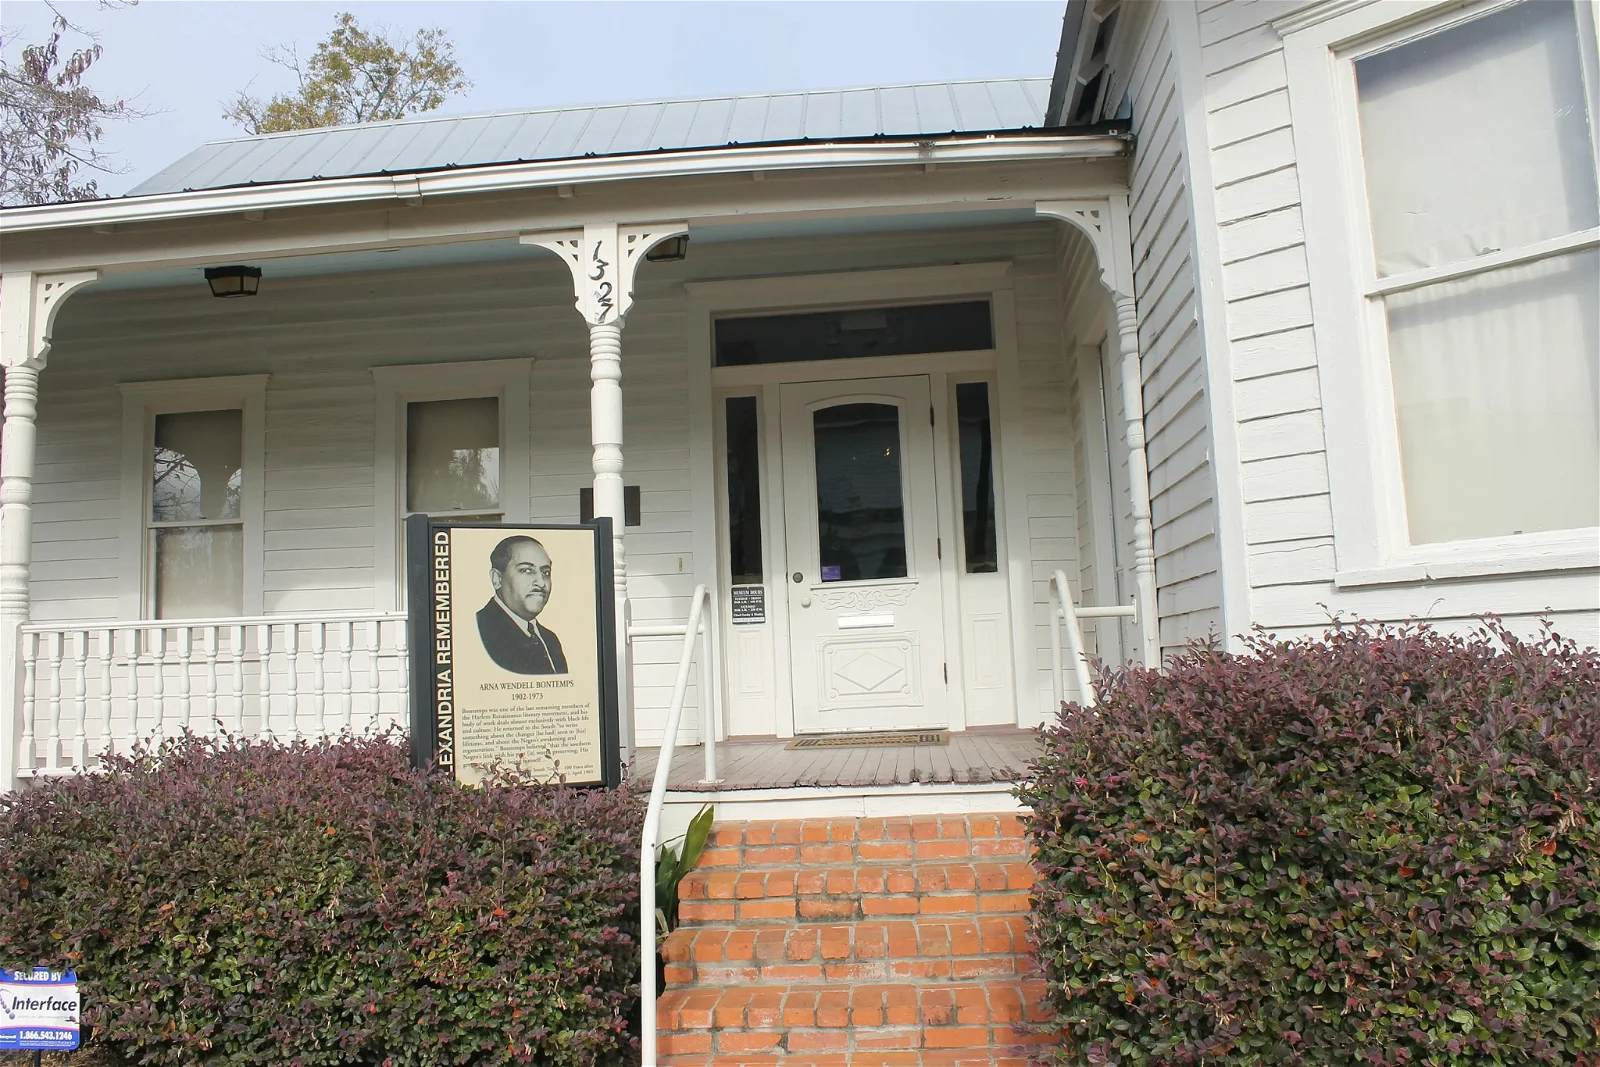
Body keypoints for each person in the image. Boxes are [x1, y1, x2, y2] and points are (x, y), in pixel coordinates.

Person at [476, 535, 569, 675]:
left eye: (546, 572)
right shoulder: (477, 632)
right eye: (526, 570)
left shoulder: (550, 640)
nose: (541, 582)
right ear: (497, 579)